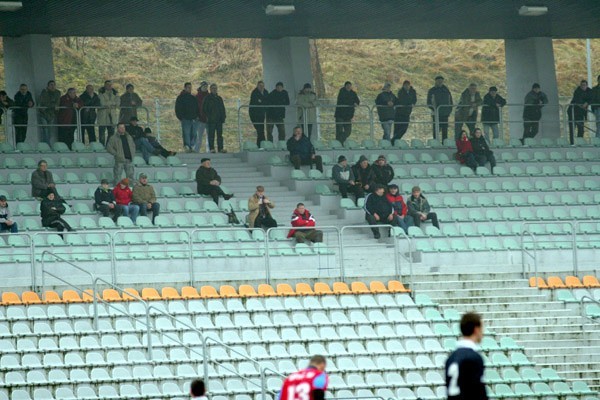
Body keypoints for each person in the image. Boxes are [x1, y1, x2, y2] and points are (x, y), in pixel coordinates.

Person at [445, 312, 488, 400]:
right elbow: (477, 392)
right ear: (476, 329)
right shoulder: (474, 358)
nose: (483, 332)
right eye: (482, 328)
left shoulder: (451, 358)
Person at [176, 82, 200, 152]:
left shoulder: (193, 98)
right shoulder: (180, 98)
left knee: (194, 133)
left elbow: (197, 107)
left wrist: (198, 115)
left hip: (194, 118)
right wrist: (180, 117)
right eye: (188, 87)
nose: (190, 89)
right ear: (185, 88)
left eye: (190, 87)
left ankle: (192, 146)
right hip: (185, 118)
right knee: (186, 133)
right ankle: (187, 146)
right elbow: (178, 108)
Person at [427, 76, 453, 142]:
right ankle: (435, 143)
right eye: (438, 81)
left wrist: (449, 110)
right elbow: (428, 102)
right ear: (435, 81)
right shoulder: (432, 90)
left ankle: (444, 142)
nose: (440, 82)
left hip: (445, 113)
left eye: (441, 81)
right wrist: (434, 109)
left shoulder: (446, 90)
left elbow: (450, 101)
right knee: (436, 130)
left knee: (445, 130)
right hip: (436, 113)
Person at [203, 83, 227, 153]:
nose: (214, 90)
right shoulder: (207, 98)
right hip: (211, 120)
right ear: (210, 89)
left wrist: (223, 117)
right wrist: (208, 116)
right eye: (213, 88)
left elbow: (222, 108)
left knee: (220, 135)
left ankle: (220, 148)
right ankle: (212, 148)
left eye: (215, 88)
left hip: (219, 120)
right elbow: (204, 108)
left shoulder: (219, 98)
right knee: (211, 135)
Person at [568, 80, 592, 144]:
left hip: (581, 113)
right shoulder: (577, 91)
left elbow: (592, 98)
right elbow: (577, 100)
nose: (583, 86)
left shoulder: (589, 91)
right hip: (573, 112)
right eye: (582, 85)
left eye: (584, 85)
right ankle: (572, 143)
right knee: (572, 128)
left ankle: (580, 142)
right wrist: (582, 105)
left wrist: (587, 103)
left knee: (581, 129)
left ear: (587, 85)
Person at [38, 80, 61, 145]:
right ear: (48, 86)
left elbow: (57, 102)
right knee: (45, 130)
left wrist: (53, 106)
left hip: (52, 114)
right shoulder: (44, 92)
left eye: (53, 85)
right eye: (51, 85)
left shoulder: (57, 93)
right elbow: (44, 102)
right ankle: (46, 144)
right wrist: (53, 106)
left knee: (50, 131)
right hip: (44, 114)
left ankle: (48, 144)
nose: (52, 86)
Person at [97, 80, 119, 145]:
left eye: (110, 84)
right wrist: (112, 104)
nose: (109, 86)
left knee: (111, 133)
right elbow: (102, 103)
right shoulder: (101, 93)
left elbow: (118, 103)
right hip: (103, 115)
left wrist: (109, 104)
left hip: (112, 116)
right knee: (102, 133)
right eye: (107, 84)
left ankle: (109, 146)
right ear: (104, 85)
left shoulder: (115, 93)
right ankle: (101, 147)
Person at [249, 81, 269, 146]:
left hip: (262, 114)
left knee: (261, 130)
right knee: (260, 130)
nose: (261, 87)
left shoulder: (265, 92)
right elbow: (256, 102)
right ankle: (262, 144)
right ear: (257, 86)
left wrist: (261, 101)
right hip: (255, 114)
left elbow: (266, 102)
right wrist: (262, 102)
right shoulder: (254, 93)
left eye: (262, 86)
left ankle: (261, 144)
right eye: (260, 86)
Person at [195, 81, 209, 152]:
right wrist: (197, 116)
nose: (205, 88)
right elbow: (195, 108)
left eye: (206, 86)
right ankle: (196, 150)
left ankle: (209, 150)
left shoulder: (209, 96)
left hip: (208, 119)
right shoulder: (197, 97)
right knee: (198, 137)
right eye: (204, 86)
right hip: (200, 119)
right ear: (201, 87)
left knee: (209, 137)